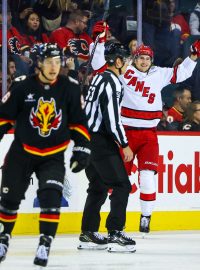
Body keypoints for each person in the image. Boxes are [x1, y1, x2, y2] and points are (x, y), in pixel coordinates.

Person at [90, 35, 200, 234]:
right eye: (141, 57)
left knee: (148, 176)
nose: (144, 61)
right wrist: (98, 42)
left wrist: (192, 56)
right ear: (134, 57)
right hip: (126, 133)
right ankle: (114, 220)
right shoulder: (125, 70)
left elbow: (181, 73)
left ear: (152, 60)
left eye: (148, 58)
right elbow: (99, 66)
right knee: (117, 180)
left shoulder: (159, 73)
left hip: (149, 134)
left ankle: (146, 217)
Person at [0, 43, 91, 266]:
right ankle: (3, 237)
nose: (54, 66)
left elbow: (79, 122)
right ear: (39, 63)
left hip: (53, 155)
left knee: (51, 198)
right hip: (21, 153)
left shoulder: (69, 87)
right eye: (49, 62)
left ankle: (45, 241)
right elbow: (4, 117)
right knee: (9, 199)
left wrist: (82, 148)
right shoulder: (22, 86)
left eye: (57, 62)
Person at [78, 42, 136, 253]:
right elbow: (112, 120)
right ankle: (115, 233)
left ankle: (88, 232)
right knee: (122, 185)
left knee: (99, 185)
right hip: (100, 141)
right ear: (118, 61)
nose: (128, 64)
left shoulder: (99, 78)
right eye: (126, 60)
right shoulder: (112, 82)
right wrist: (125, 144)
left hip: (87, 141)